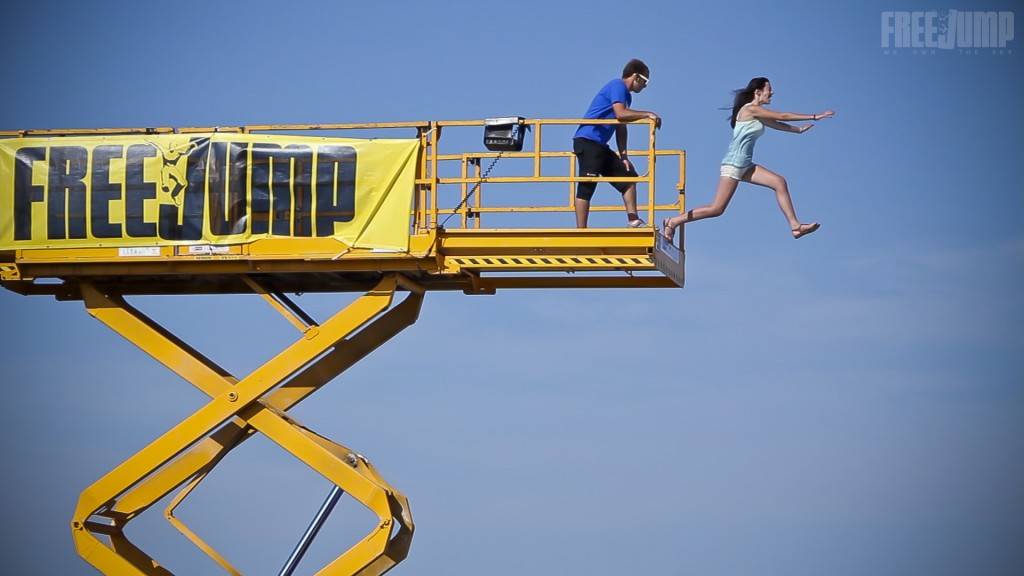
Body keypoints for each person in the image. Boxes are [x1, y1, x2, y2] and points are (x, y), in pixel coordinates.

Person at [662, 77, 834, 241]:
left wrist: (799, 130)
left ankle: (795, 227)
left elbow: (776, 124)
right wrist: (813, 116)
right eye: (769, 89)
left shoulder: (757, 114)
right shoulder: (749, 109)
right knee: (717, 208)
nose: (772, 93)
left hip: (746, 165)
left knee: (779, 182)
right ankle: (673, 222)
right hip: (733, 165)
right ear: (758, 92)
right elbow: (781, 116)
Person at [572, 59, 661, 228]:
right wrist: (647, 114)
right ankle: (581, 230)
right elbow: (621, 114)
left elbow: (621, 125)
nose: (645, 86)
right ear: (636, 76)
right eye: (645, 81)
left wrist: (624, 156)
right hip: (588, 141)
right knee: (587, 185)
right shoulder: (618, 86)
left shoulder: (626, 96)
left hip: (601, 145)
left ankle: (633, 220)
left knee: (628, 178)